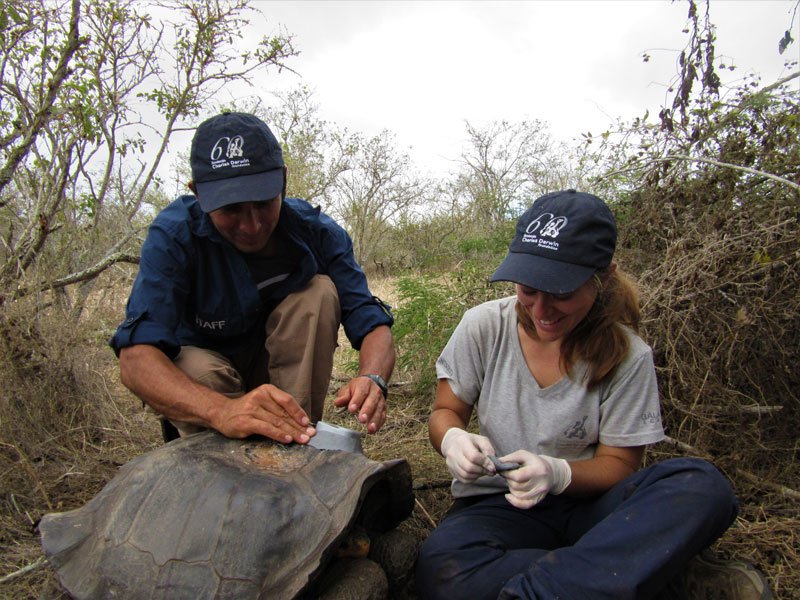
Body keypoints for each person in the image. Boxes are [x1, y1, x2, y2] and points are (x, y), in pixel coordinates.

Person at [415, 190, 772, 599]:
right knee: (441, 568)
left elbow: (619, 465)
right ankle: (642, 574)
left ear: (602, 278)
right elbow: (446, 411)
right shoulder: (483, 326)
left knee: (702, 485)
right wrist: (453, 439)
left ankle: (548, 586)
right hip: (500, 507)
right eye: (528, 289)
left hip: (593, 510)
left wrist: (557, 473)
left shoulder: (628, 355)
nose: (541, 309)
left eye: (562, 293)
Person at [110, 111, 395, 445]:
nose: (251, 225)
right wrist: (222, 411)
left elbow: (370, 320)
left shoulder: (317, 232)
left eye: (263, 203)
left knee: (317, 293)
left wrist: (373, 378)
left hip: (278, 373)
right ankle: (213, 458)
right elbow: (135, 360)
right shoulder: (174, 235)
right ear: (199, 194)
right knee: (195, 369)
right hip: (208, 377)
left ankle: (291, 439)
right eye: (231, 209)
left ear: (283, 182)